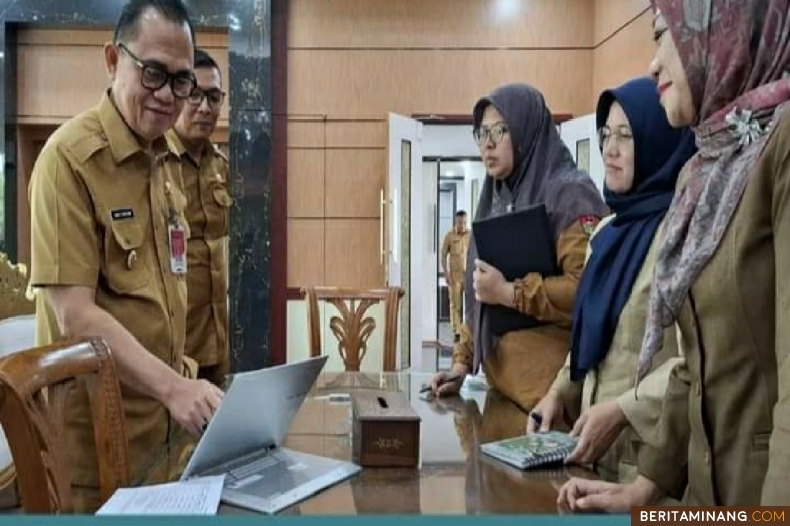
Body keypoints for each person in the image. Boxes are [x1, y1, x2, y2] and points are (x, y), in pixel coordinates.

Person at [558, 0, 790, 509]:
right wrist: (646, 488)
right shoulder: (702, 173)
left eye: (665, 35)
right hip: (703, 499)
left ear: (723, 30)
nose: (654, 62)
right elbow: (695, 365)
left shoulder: (781, 146)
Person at [28, 0, 223, 511]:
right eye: (153, 73)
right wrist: (175, 388)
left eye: (181, 81)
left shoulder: (162, 163)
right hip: (95, 449)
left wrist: (189, 390)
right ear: (114, 60)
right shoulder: (68, 162)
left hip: (164, 439)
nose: (167, 95)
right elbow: (73, 314)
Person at [528, 77, 696, 485]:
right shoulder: (605, 233)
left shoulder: (684, 232)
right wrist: (557, 394)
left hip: (654, 471)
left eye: (626, 135)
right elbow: (591, 339)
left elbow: (695, 360)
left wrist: (624, 409)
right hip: (588, 457)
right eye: (605, 135)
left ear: (658, 139)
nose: (609, 149)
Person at [430, 83, 608, 411]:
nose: (488, 143)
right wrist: (462, 363)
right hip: (501, 388)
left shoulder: (570, 194)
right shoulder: (496, 198)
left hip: (550, 401)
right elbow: (480, 294)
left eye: (500, 130)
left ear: (526, 132)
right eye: (481, 133)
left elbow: (587, 289)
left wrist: (510, 292)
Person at [166, 48, 232, 387]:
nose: (205, 106)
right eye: (194, 94)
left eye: (214, 96)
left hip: (217, 342)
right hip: (172, 352)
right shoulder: (155, 163)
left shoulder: (221, 167)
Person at [440, 210, 470, 340]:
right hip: (454, 277)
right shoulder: (449, 236)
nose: (461, 225)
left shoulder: (471, 235)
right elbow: (443, 256)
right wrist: (446, 274)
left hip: (468, 276)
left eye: (464, 222)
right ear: (455, 221)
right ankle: (457, 331)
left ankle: (467, 329)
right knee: (456, 304)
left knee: (468, 304)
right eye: (459, 222)